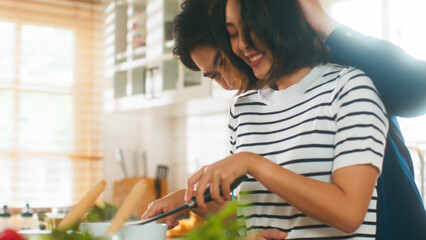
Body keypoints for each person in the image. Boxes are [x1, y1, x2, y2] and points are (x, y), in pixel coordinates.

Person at [143, 0, 426, 239]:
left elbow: (417, 89)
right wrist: (187, 202)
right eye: (233, 33)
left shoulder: (348, 83)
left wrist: (319, 20)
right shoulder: (244, 111)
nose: (228, 82)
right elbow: (256, 211)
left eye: (222, 63)